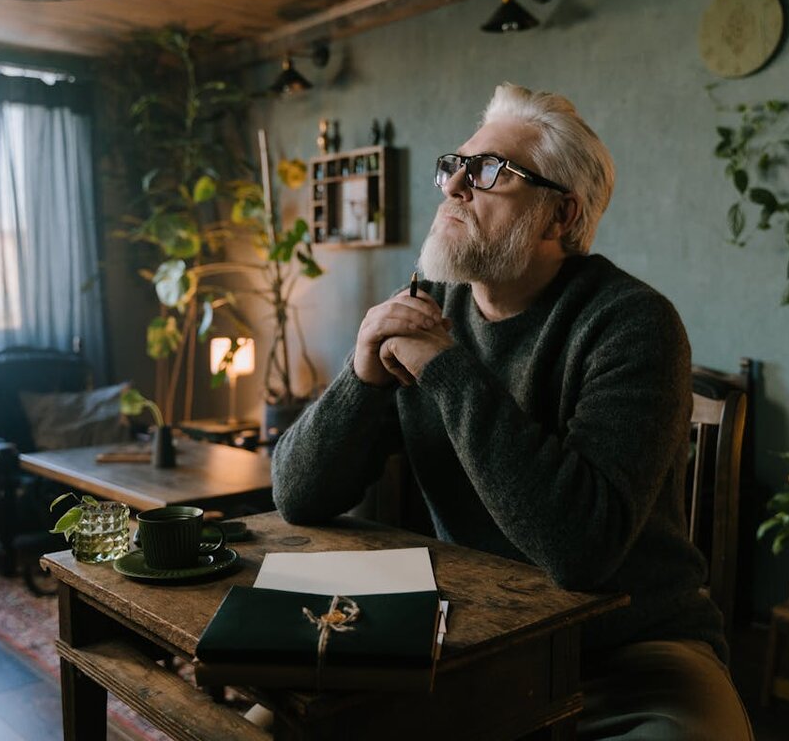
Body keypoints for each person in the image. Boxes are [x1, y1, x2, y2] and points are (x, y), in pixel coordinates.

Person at [271, 83, 753, 740]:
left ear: (560, 216)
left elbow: (579, 551)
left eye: (491, 171)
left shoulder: (632, 324)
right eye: (455, 166)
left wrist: (444, 369)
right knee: (268, 723)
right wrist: (361, 377)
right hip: (470, 638)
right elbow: (297, 496)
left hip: (628, 654)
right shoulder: (426, 308)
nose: (453, 186)